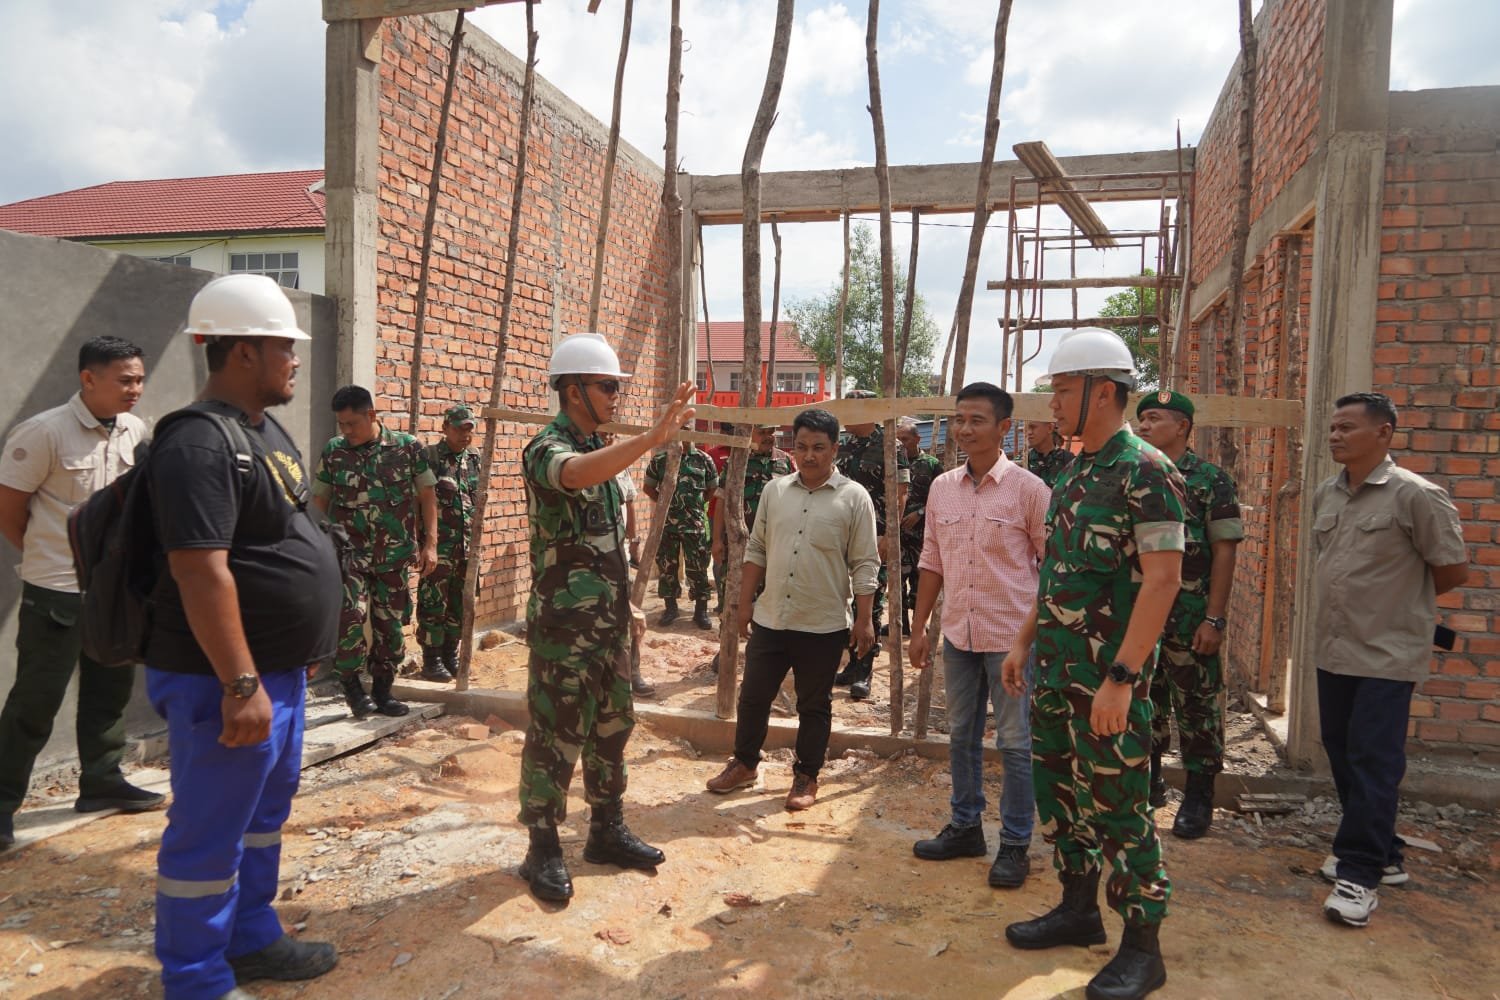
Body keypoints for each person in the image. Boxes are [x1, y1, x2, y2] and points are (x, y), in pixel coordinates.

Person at [145, 274, 340, 998]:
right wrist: (240, 682)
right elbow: (201, 572)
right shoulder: (196, 444)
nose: (294, 359)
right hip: (220, 680)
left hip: (274, 673)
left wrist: (295, 655)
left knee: (260, 816)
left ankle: (252, 938)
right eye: (284, 347)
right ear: (245, 352)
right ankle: (194, 980)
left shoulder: (262, 429)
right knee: (209, 829)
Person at [1000, 328, 1185, 1000]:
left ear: (1103, 392)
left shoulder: (1147, 472)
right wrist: (1024, 641)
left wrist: (1122, 680)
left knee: (1120, 809)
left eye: (1062, 388)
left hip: (1108, 683)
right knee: (1061, 797)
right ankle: (1079, 910)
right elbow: (1057, 574)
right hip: (1055, 674)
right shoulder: (1077, 469)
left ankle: (1143, 946)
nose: (1051, 400)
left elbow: (1163, 581)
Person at [517, 332, 696, 903]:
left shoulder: (600, 451)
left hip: (608, 625)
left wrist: (627, 604)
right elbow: (572, 475)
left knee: (612, 729)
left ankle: (605, 830)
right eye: (607, 386)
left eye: (617, 386)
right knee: (553, 734)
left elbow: (604, 543)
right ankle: (542, 847)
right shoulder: (547, 447)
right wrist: (651, 439)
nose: (616, 396)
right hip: (564, 631)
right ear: (572, 391)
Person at [1312, 391, 1466, 929]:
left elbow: (1450, 570)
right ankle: (1387, 852)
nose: (1335, 435)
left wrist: (1400, 613)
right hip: (1334, 648)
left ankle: (1360, 873)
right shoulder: (1326, 495)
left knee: (1373, 760)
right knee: (1341, 749)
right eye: (1333, 427)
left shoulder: (1415, 496)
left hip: (1387, 653)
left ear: (1384, 433)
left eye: (1348, 427)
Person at [0, 337, 159, 848]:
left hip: (114, 592)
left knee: (109, 691)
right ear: (88, 378)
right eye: (125, 380)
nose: (136, 389)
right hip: (58, 593)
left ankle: (101, 780)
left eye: (139, 379)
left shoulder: (135, 430)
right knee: (35, 701)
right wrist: (52, 558)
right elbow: (10, 509)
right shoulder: (44, 432)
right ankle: (2, 803)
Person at [908, 383, 1048, 889]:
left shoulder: (1030, 491)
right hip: (959, 637)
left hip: (1012, 640)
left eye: (977, 420)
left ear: (1004, 428)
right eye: (959, 419)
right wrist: (919, 625)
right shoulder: (942, 487)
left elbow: (1051, 569)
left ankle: (1015, 842)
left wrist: (1027, 642)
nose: (965, 429)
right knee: (960, 736)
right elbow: (932, 560)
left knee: (1014, 742)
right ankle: (966, 827)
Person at [705, 408, 879, 811]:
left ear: (835, 449)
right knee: (753, 695)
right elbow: (757, 548)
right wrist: (744, 604)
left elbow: (866, 562)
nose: (809, 455)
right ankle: (745, 763)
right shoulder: (775, 491)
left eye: (819, 447)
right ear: (793, 447)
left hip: (823, 623)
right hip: (772, 617)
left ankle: (806, 776)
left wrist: (866, 619)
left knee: (813, 704)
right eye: (801, 446)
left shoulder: (854, 498)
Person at [1134, 390, 1243, 839]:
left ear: (1182, 426)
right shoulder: (1135, 475)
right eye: (1140, 418)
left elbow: (1224, 551)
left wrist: (1214, 618)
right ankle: (1151, 784)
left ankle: (1199, 795)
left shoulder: (1210, 480)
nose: (1142, 426)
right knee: (1146, 701)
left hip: (1191, 614)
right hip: (1144, 614)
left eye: (1153, 418)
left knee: (1197, 706)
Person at [312, 386, 438, 719]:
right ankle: (353, 689)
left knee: (391, 626)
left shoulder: (407, 448)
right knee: (350, 619)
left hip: (393, 557)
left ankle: (383, 691)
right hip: (349, 555)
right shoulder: (335, 451)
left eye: (351, 423)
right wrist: (317, 545)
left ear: (371, 415)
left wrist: (430, 543)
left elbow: (427, 496)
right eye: (341, 424)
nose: (346, 431)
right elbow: (319, 503)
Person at [833, 390, 909, 700]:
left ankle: (864, 669)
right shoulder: (845, 445)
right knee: (843, 598)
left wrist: (890, 534)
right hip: (841, 535)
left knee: (871, 599)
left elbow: (901, 493)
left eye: (851, 409)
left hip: (874, 535)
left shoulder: (891, 445)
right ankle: (851, 663)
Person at [709, 424, 794, 675]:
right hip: (737, 545)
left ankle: (764, 653)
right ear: (750, 435)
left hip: (773, 546)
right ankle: (726, 648)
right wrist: (716, 540)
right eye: (763, 432)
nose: (769, 437)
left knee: (772, 598)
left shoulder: (785, 463)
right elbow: (721, 502)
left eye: (772, 433)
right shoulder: (735, 461)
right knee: (730, 596)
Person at [416, 404, 482, 684]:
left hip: (466, 547)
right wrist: (423, 544)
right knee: (434, 603)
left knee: (458, 605)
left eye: (469, 429)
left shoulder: (475, 459)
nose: (465, 435)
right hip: (439, 547)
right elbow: (419, 500)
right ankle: (431, 661)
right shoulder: (430, 457)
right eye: (458, 429)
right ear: (444, 428)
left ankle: (449, 656)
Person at [643, 440, 718, 630]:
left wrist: (696, 506)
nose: (684, 431)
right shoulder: (660, 459)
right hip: (667, 524)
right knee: (667, 566)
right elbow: (648, 487)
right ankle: (670, 608)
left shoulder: (704, 459)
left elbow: (712, 488)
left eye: (688, 427)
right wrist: (664, 504)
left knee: (698, 567)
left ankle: (700, 611)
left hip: (694, 524)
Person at [896, 418, 943, 633]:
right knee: (897, 579)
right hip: (898, 535)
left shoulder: (932, 464)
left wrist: (920, 513)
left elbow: (942, 497)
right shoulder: (893, 464)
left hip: (922, 535)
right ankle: (901, 623)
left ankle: (918, 624)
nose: (901, 444)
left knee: (920, 579)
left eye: (904, 439)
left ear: (917, 439)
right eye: (898, 440)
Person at [1026, 417, 1073, 490]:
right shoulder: (1023, 461)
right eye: (1027, 428)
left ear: (1050, 428)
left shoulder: (1068, 460)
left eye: (1033, 427)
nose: (1029, 432)